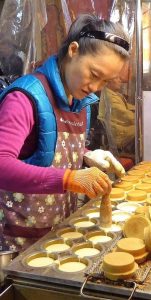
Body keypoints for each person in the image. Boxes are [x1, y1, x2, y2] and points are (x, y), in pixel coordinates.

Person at [0, 14, 129, 252]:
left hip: (60, 233)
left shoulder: (79, 100)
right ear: (73, 50)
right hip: (20, 241)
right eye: (94, 74)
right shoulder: (24, 98)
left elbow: (49, 149)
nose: (95, 88)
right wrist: (69, 179)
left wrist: (86, 155)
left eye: (105, 82)